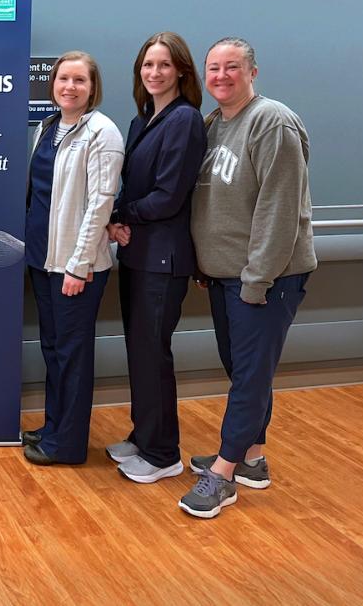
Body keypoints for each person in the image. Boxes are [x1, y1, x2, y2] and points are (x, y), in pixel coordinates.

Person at [180, 37, 316, 518]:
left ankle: (223, 474)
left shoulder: (271, 121)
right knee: (244, 372)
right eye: (213, 68)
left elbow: (279, 210)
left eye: (231, 67)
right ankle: (253, 459)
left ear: (252, 72)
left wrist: (257, 279)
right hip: (224, 276)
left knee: (249, 378)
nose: (220, 76)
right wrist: (205, 263)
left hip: (264, 278)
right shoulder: (214, 124)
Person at [106, 32, 207, 483]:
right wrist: (117, 219)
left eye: (164, 65)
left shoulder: (184, 120)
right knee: (139, 352)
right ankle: (143, 434)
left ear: (181, 72)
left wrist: (121, 214)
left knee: (153, 354)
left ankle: (163, 453)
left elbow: (167, 197)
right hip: (136, 254)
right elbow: (133, 186)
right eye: (147, 65)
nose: (154, 73)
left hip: (162, 261)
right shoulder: (142, 120)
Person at [22, 51, 124, 465]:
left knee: (72, 354)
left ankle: (68, 445)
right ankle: (53, 428)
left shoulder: (102, 131)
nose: (70, 86)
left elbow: (101, 202)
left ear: (92, 87)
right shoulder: (47, 128)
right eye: (63, 78)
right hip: (41, 258)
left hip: (73, 267)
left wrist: (79, 265)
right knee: (53, 348)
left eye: (79, 80)